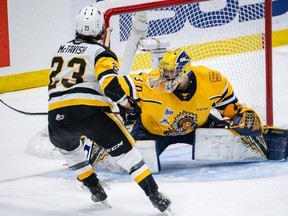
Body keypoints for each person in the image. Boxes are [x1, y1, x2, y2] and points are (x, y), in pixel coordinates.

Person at [47, 4, 171, 213]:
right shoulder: (101, 52)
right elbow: (110, 85)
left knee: (70, 151)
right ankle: (155, 196)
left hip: (56, 119)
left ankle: (95, 189)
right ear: (102, 30)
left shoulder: (60, 50)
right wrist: (127, 103)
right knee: (130, 156)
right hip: (91, 115)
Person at [117, 48, 272, 162]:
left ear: (185, 71)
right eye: (165, 72)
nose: (166, 77)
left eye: (172, 72)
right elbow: (114, 85)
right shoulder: (150, 83)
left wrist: (242, 115)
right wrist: (124, 104)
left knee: (232, 146)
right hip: (152, 131)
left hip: (198, 127)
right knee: (129, 162)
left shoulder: (211, 80)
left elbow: (228, 106)